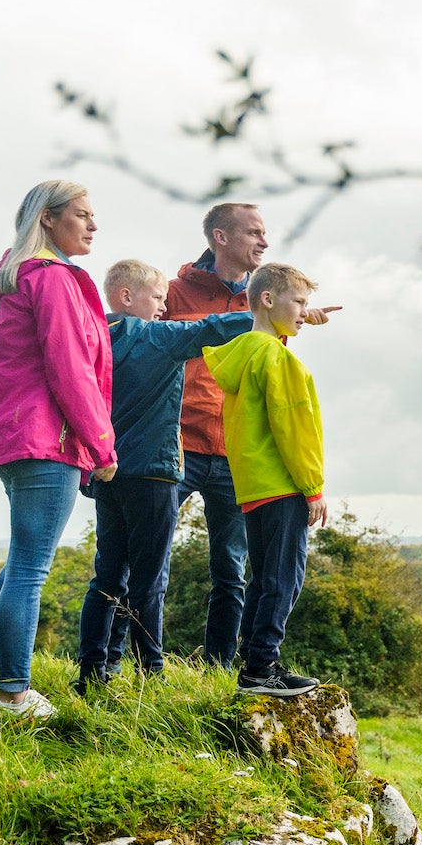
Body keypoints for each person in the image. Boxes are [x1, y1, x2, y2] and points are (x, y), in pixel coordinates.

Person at [74, 260, 254, 695]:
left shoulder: (91, 340)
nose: (163, 306)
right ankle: (149, 676)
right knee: (148, 583)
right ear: (126, 297)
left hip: (107, 471)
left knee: (107, 577)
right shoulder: (155, 338)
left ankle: (92, 674)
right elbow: (216, 328)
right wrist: (275, 311)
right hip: (154, 475)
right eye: (157, 298)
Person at [0, 180, 115, 718]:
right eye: (83, 214)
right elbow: (70, 367)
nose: (93, 225)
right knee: (32, 567)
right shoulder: (53, 279)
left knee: (21, 558)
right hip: (46, 434)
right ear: (50, 220)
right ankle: (14, 692)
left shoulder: (22, 278)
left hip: (17, 432)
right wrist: (101, 444)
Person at [202, 263, 329, 696]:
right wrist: (312, 487)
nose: (304, 312)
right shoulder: (277, 357)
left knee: (264, 578)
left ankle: (255, 663)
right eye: (298, 302)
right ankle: (261, 669)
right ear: (269, 300)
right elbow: (294, 427)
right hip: (282, 485)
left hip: (252, 486)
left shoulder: (245, 352)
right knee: (284, 578)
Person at [164, 203, 270, 666]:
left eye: (266, 234)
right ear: (220, 237)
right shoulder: (171, 294)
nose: (264, 242)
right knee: (148, 563)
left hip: (233, 453)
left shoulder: (263, 302)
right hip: (177, 448)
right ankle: (127, 663)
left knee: (231, 571)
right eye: (254, 233)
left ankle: (218, 669)